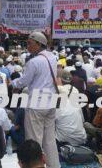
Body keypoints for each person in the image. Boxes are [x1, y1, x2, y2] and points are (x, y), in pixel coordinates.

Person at [12, 32, 61, 168]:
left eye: (30, 43)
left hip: (37, 105)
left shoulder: (33, 62)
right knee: (50, 141)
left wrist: (12, 83)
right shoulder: (52, 57)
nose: (27, 46)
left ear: (39, 44)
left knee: (34, 143)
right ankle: (54, 166)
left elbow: (23, 81)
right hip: (50, 103)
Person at [55, 72, 87, 146]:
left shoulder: (57, 109)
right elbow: (82, 121)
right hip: (81, 139)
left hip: (63, 141)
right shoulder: (75, 92)